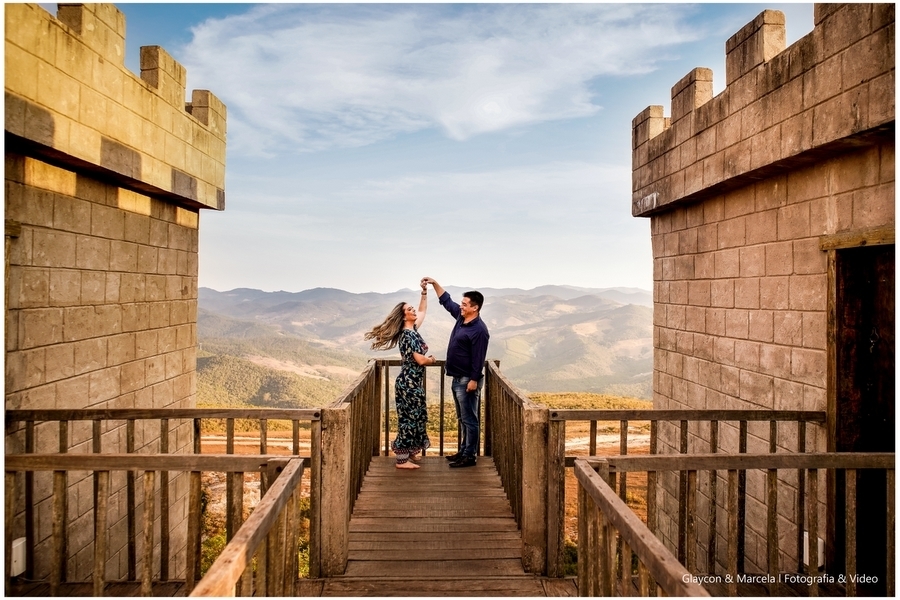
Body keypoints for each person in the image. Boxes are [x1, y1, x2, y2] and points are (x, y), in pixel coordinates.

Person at [364, 282, 436, 469]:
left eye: (412, 308)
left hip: (412, 382)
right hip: (409, 383)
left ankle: (411, 451)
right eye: (409, 309)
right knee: (409, 419)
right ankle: (402, 460)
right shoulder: (407, 335)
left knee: (417, 416)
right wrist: (431, 360)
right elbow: (420, 360)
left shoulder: (412, 330)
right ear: (404, 316)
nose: (414, 310)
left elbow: (422, 311)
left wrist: (424, 293)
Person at [421, 277, 489, 468]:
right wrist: (434, 284)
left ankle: (470, 456)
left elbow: (478, 357)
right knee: (463, 418)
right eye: (462, 303)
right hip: (457, 378)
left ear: (475, 308)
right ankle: (463, 451)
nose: (461, 306)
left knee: (470, 419)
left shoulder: (479, 330)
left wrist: (474, 380)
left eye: (465, 304)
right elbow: (446, 301)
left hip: (467, 379)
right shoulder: (462, 318)